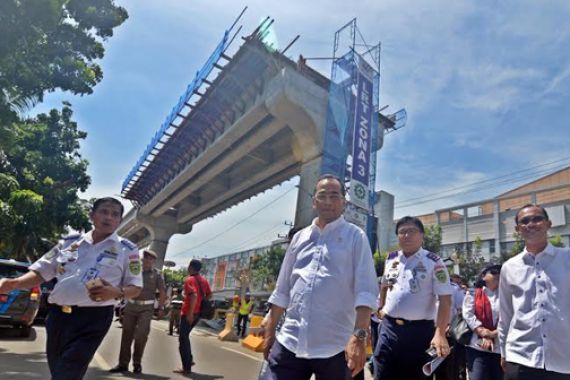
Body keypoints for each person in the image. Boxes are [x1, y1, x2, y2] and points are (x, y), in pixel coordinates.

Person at [0, 197, 142, 379]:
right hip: (58, 316)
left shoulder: (127, 250)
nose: (109, 217)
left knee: (68, 372)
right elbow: (43, 271)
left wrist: (117, 292)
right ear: (92, 215)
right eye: (104, 212)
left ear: (119, 221)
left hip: (94, 319)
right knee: (59, 367)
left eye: (115, 214)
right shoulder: (69, 242)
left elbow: (135, 287)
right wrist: (15, 283)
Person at [262, 174, 379, 380]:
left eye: (334, 196)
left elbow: (366, 292)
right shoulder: (300, 238)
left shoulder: (355, 236)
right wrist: (270, 331)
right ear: (314, 202)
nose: (327, 201)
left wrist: (359, 338)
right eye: (322, 196)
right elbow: (282, 290)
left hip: (337, 345)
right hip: (291, 340)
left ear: (344, 201)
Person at [374, 216, 453, 380]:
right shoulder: (391, 259)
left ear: (422, 235)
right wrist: (381, 307)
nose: (407, 235)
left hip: (418, 332)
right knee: (382, 373)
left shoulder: (434, 262)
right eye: (402, 232)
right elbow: (384, 285)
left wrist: (440, 333)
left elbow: (445, 299)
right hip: (389, 328)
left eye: (412, 231)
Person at [498, 204, 570, 380]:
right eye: (525, 221)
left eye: (537, 219)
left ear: (548, 223)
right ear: (517, 229)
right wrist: (503, 351)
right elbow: (506, 314)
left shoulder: (566, 259)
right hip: (520, 356)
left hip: (562, 357)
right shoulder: (509, 267)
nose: (531, 224)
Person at [109, 249, 166, 374]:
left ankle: (137, 363)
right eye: (146, 258)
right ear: (142, 259)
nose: (148, 261)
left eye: (151, 259)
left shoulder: (157, 274)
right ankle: (123, 364)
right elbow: (123, 284)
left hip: (146, 309)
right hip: (131, 306)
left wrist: (161, 308)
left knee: (141, 335)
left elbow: (162, 292)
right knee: (126, 335)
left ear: (154, 261)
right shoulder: (134, 271)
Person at [463, 264, 502, 380]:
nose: (498, 274)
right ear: (483, 276)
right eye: (494, 272)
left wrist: (493, 333)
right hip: (477, 346)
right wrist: (482, 332)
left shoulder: (507, 294)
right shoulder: (473, 292)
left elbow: (511, 317)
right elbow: (468, 314)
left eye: (500, 272)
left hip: (500, 347)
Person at [173, 259, 212, 376]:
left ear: (190, 267)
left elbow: (194, 296)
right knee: (185, 337)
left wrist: (190, 313)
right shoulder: (204, 280)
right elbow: (209, 295)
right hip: (198, 313)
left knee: (183, 339)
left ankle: (186, 367)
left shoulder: (189, 280)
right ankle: (189, 360)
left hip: (188, 313)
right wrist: (201, 302)